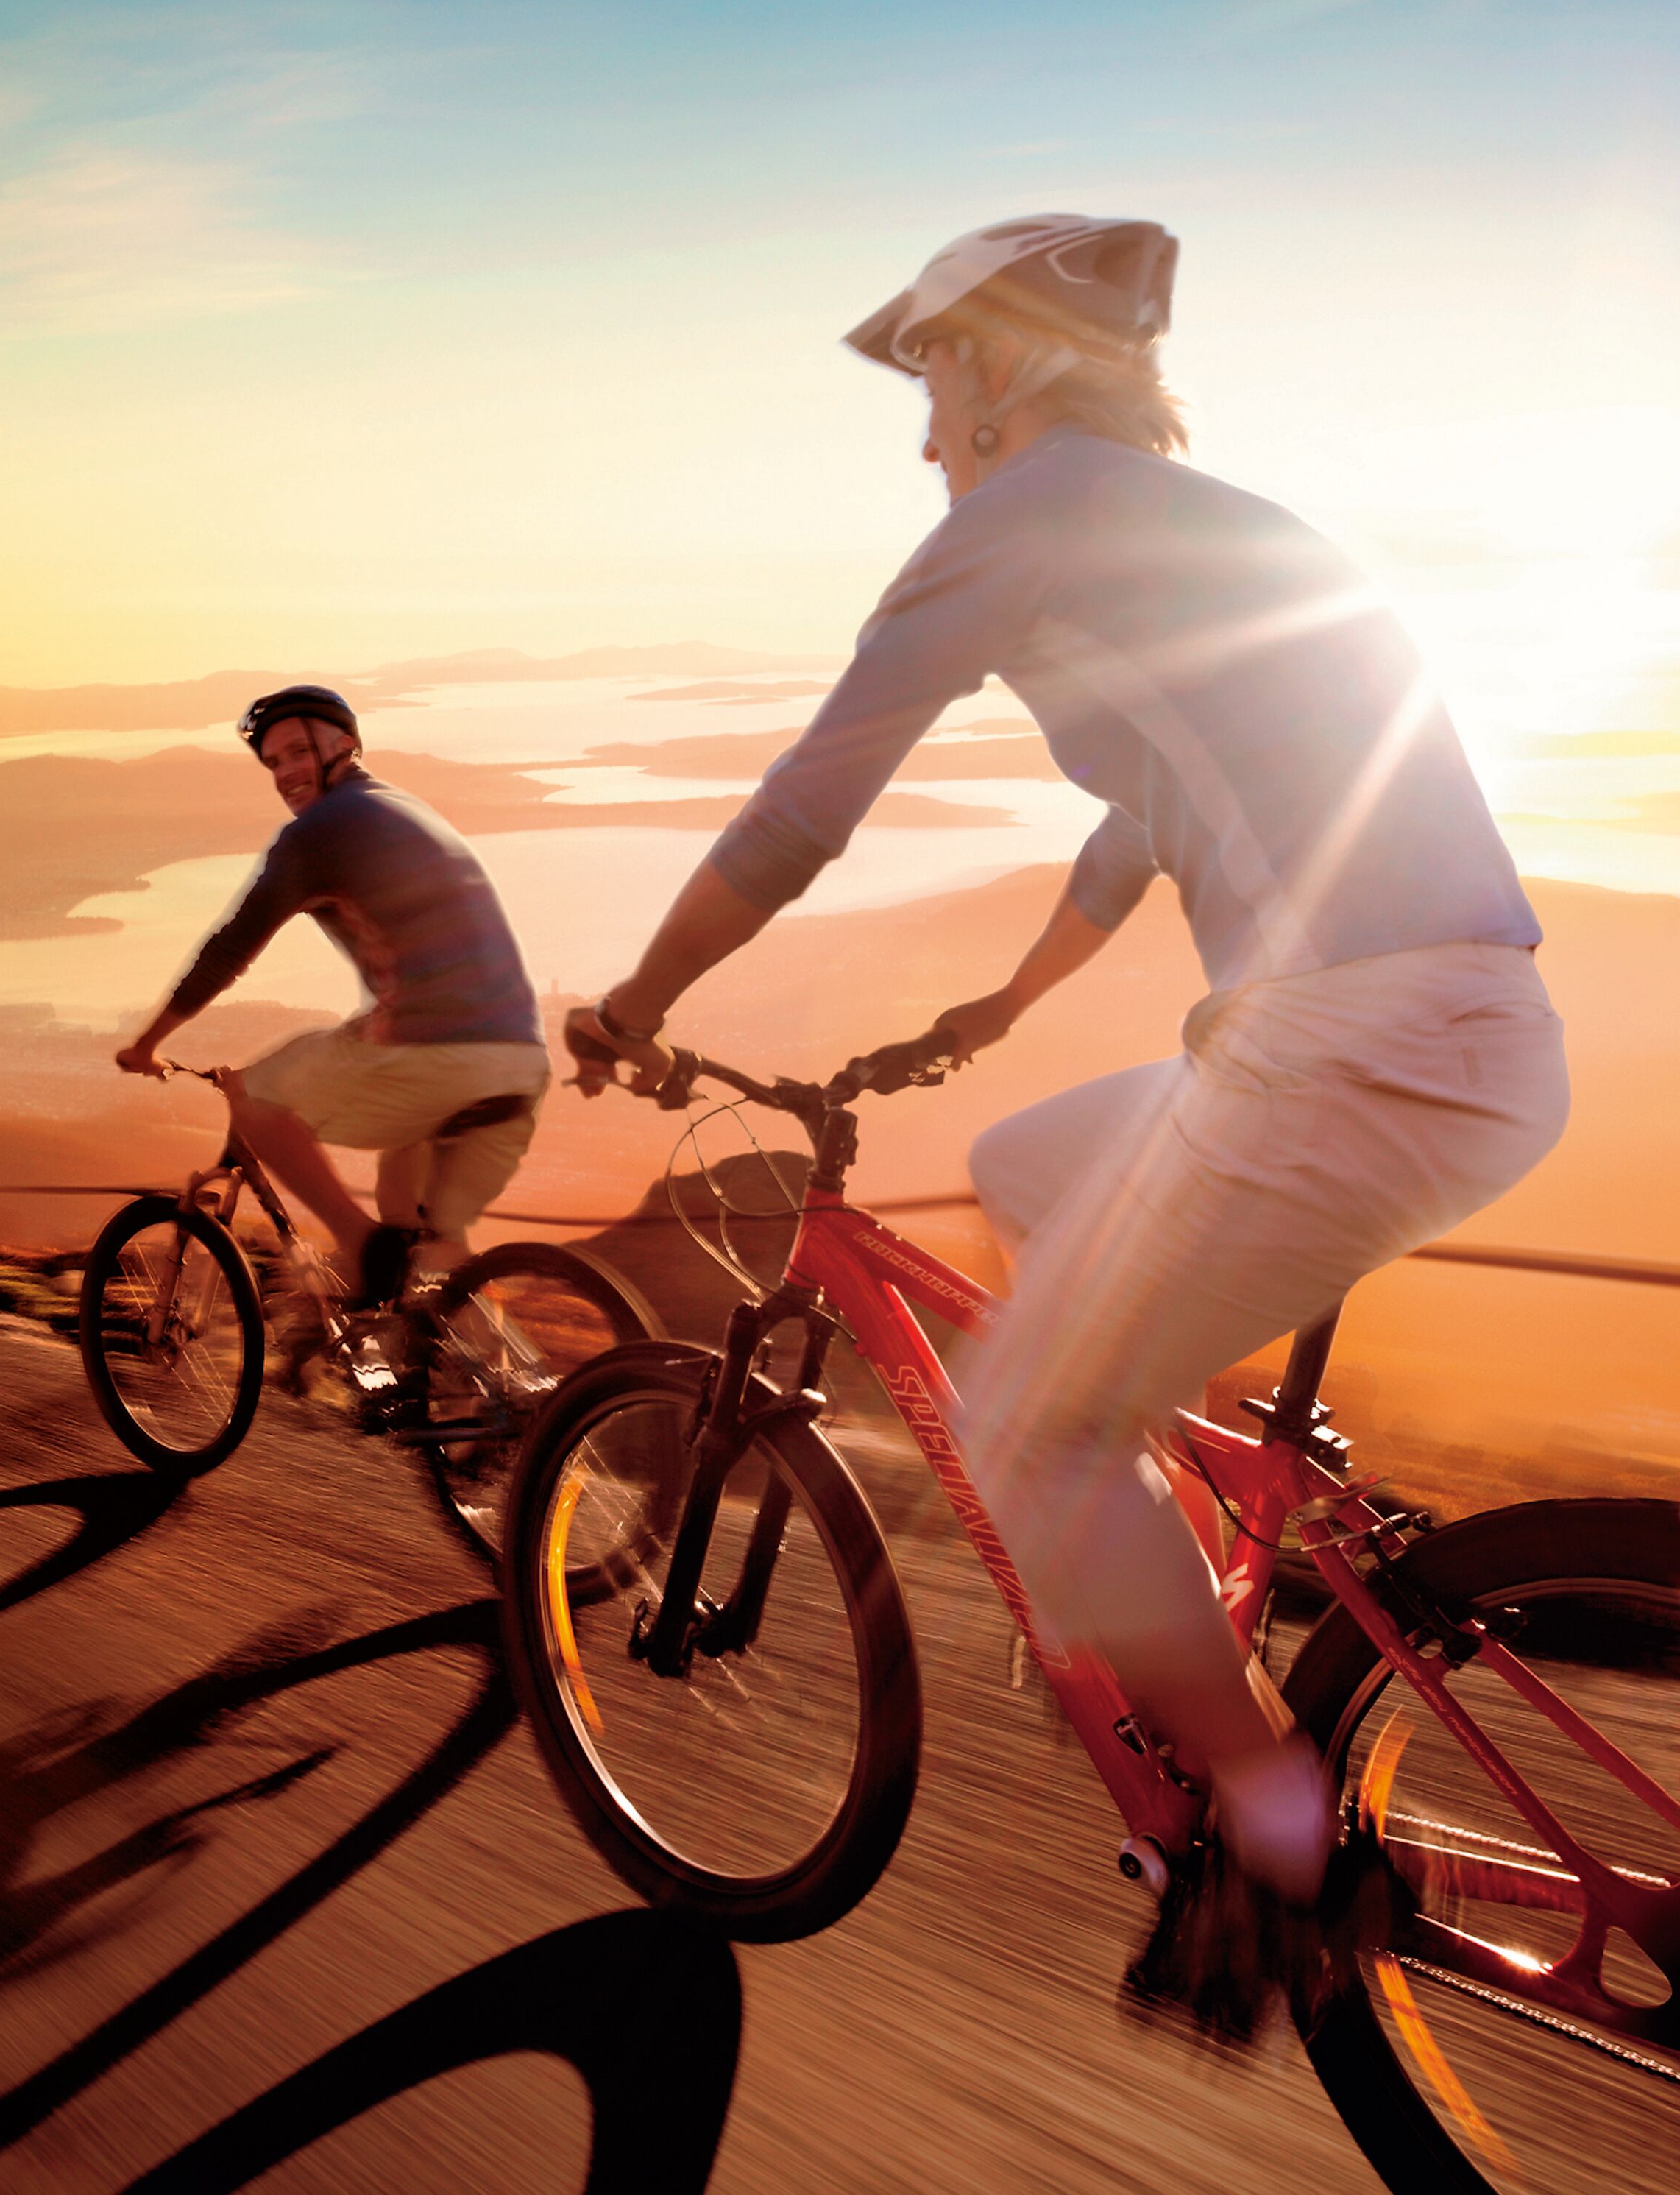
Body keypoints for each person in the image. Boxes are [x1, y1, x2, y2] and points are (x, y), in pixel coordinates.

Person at [566, 213, 1567, 2008]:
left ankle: (1269, 1839)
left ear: (1004, 361)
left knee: (1026, 1421)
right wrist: (1002, 1007)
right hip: (1452, 1033)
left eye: (932, 369)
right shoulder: (1210, 532)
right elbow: (1143, 824)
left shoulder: (1011, 524)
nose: (922, 424)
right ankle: (1186, 1549)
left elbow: (805, 811)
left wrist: (640, 1002)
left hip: (1353, 1044)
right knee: (1031, 1162)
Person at [119, 685, 551, 1304]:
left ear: (343, 744)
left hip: (433, 1052)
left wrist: (147, 1044)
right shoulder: (402, 806)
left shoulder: (318, 834)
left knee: (255, 1098)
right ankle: (488, 1393)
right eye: (272, 763)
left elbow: (228, 951)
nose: (286, 773)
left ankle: (359, 1244)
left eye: (297, 752)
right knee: (423, 1250)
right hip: (519, 1062)